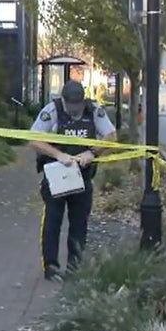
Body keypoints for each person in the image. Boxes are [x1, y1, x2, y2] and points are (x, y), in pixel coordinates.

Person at [27, 80, 118, 282]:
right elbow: (33, 139)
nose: (74, 110)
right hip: (56, 174)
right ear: (63, 100)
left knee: (79, 223)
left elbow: (111, 136)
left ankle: (74, 267)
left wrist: (92, 153)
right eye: (71, 106)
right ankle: (51, 266)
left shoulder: (93, 110)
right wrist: (58, 154)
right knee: (53, 221)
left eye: (78, 105)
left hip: (83, 175)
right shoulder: (52, 110)